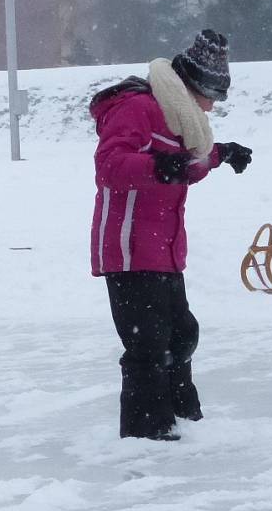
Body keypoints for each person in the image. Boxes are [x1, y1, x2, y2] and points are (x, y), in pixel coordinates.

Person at [89, 29, 253, 440]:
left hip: (162, 247)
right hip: (128, 247)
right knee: (149, 344)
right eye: (212, 96)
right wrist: (159, 167)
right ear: (194, 86)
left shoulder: (178, 115)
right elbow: (109, 166)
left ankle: (182, 417)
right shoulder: (139, 107)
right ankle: (147, 433)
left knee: (181, 334)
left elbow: (186, 160)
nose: (213, 108)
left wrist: (223, 153)